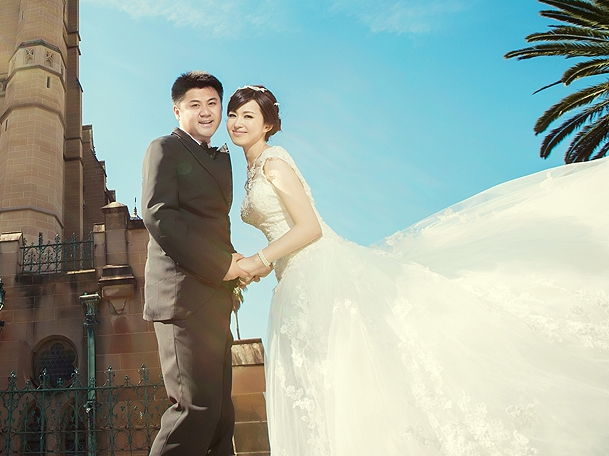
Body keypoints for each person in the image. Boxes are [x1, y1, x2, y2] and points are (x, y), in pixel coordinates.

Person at [225, 84, 609, 454]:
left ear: (268, 124)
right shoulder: (253, 168)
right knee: (322, 381)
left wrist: (258, 260)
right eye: (233, 114)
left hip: (318, 272)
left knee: (344, 373)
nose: (238, 122)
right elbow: (285, 230)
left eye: (248, 115)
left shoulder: (275, 164)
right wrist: (262, 266)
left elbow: (310, 228)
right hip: (292, 276)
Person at [141, 71, 251, 456]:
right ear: (177, 111)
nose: (206, 112)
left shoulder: (217, 159)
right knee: (195, 411)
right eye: (195, 104)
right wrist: (223, 265)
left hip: (215, 299)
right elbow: (158, 216)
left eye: (212, 103)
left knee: (220, 417)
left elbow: (210, 225)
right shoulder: (164, 148)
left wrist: (232, 261)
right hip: (182, 297)